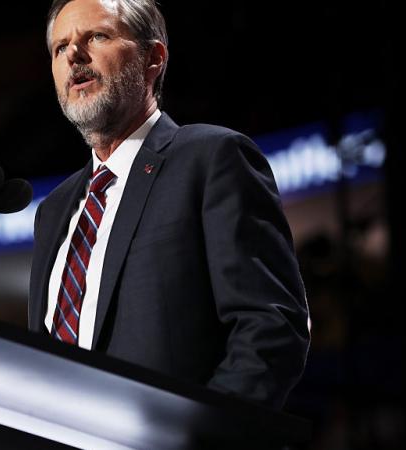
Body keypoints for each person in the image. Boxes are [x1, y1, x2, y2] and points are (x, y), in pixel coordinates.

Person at [28, 0, 310, 410]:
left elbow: (270, 327)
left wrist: (196, 435)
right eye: (60, 47)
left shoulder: (212, 159)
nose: (74, 54)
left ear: (153, 58)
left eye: (97, 36)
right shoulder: (52, 211)